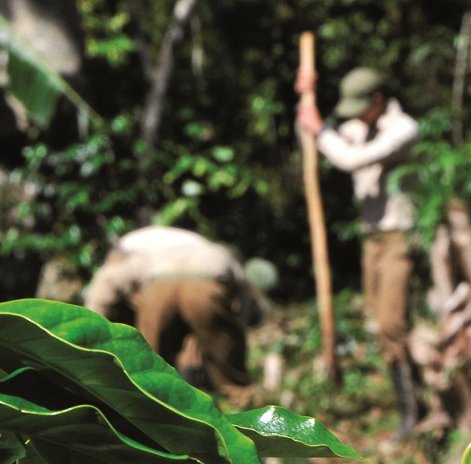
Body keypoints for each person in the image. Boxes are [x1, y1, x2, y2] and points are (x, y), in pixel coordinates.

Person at [296, 66, 423, 437]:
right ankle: (412, 403)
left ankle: (412, 412)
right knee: (380, 322)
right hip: (372, 238)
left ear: (378, 100)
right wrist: (306, 101)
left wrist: (320, 129)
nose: (352, 116)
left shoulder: (403, 130)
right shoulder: (358, 127)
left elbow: (349, 157)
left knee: (391, 322)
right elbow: (316, 134)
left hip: (400, 234)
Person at [84, 226, 270, 401]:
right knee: (227, 367)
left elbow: (106, 282)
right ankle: (240, 406)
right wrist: (234, 335)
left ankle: (150, 405)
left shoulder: (132, 252)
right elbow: (242, 297)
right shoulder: (209, 248)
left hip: (159, 282)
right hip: (207, 280)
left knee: (149, 364)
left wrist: (89, 331)